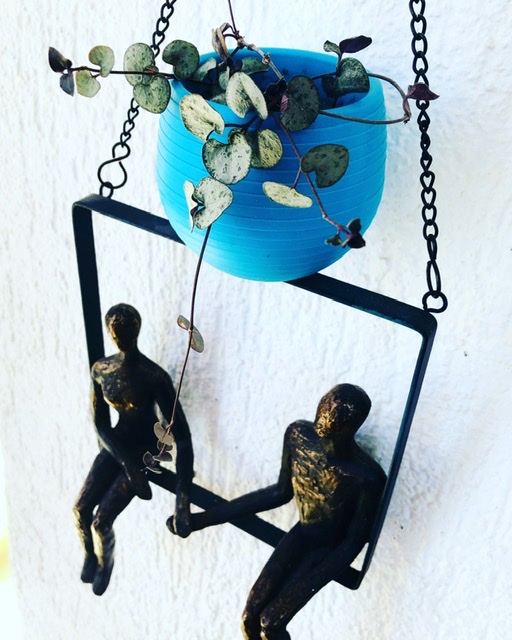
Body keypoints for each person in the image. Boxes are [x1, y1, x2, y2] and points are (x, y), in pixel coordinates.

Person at [170, 383, 386, 639]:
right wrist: (202, 520)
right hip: (302, 533)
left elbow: (351, 545)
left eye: (340, 413)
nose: (328, 414)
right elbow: (279, 493)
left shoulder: (365, 477)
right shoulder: (298, 436)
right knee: (249, 619)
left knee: (270, 623)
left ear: (352, 425)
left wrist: (300, 591)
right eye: (327, 403)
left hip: (329, 550)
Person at [73, 303, 194, 596]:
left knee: (102, 521)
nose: (121, 337)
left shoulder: (153, 376)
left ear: (137, 331)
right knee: (80, 510)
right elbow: (100, 423)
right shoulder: (101, 371)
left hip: (145, 449)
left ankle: (106, 563)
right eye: (116, 331)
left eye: (126, 331)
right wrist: (125, 463)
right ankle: (89, 555)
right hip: (117, 445)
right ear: (109, 333)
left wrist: (182, 500)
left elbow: (183, 437)